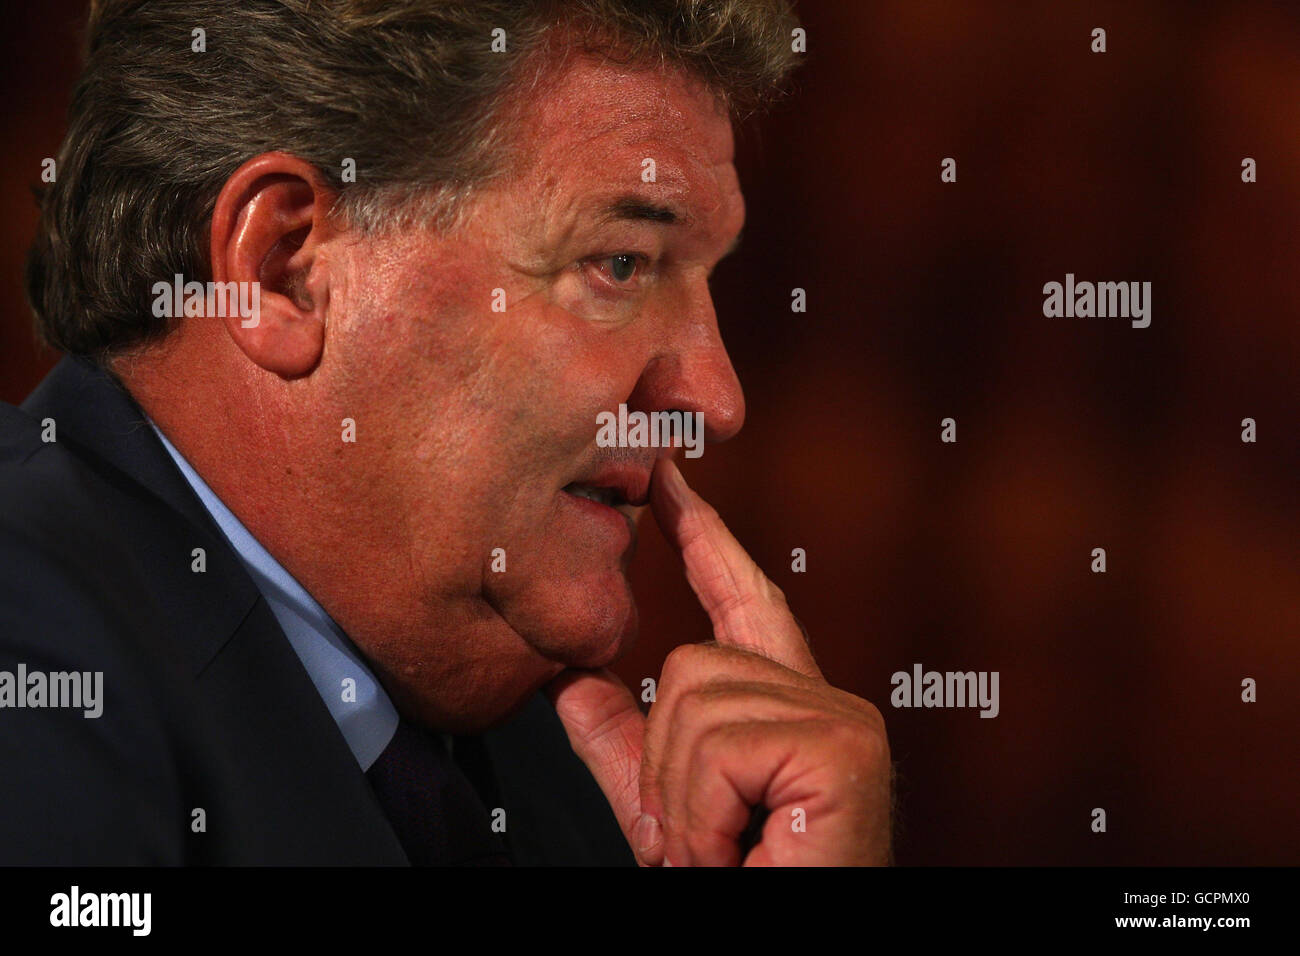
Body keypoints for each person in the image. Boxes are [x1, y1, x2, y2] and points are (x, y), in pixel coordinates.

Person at [0, 0, 892, 866]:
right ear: (285, 271)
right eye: (620, 263)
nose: (716, 397)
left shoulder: (596, 784)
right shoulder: (34, 654)